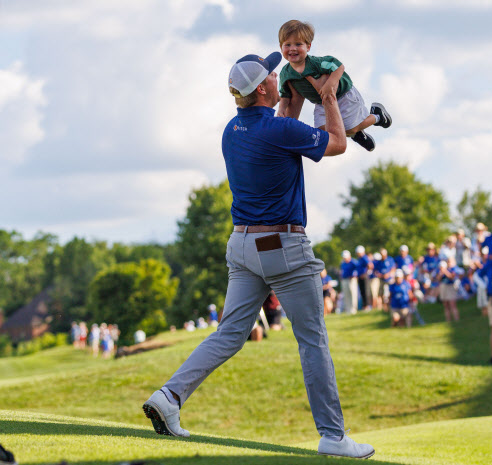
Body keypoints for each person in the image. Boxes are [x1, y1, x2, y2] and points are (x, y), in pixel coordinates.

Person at [142, 51, 374, 459]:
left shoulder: (232, 129)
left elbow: (284, 120)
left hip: (243, 247)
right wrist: (331, 97)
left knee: (229, 335)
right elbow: (336, 143)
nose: (276, 73)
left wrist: (295, 94)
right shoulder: (278, 130)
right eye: (272, 73)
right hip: (283, 247)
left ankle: (169, 396)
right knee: (312, 340)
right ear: (265, 87)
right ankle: (333, 436)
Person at [277, 20, 391, 152]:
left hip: (343, 95)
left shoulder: (315, 63)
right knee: (323, 133)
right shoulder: (285, 73)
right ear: (281, 47)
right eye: (287, 44)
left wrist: (329, 85)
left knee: (350, 128)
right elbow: (285, 94)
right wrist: (281, 108)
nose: (292, 48)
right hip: (320, 102)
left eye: (298, 44)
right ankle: (356, 133)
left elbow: (338, 66)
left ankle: (377, 116)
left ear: (308, 47)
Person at [437, 258, 463, 322]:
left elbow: (452, 277)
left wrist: (445, 271)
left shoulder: (453, 269)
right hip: (443, 287)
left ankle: (457, 319)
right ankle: (448, 320)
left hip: (450, 287)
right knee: (446, 305)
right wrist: (441, 273)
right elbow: (438, 279)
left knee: (452, 304)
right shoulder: (441, 271)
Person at [340, 250, 358, 314]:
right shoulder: (343, 263)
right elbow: (342, 271)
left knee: (353, 294)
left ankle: (353, 309)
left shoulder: (354, 262)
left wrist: (354, 275)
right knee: (346, 294)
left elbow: (357, 269)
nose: (344, 258)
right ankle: (348, 309)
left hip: (352, 279)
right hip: (344, 279)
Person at [354, 245, 371, 311]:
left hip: (364, 277)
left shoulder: (364, 257)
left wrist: (365, 274)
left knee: (366, 291)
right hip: (360, 277)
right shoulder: (359, 258)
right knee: (362, 292)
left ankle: (367, 306)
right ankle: (364, 306)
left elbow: (370, 265)